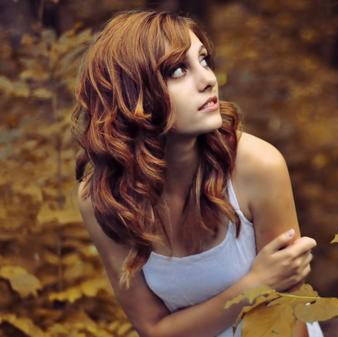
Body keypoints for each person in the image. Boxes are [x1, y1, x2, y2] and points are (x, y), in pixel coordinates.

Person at [71, 9, 322, 337]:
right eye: (178, 70)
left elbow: (288, 314)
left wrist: (268, 286)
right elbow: (154, 329)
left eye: (203, 60)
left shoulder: (256, 166)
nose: (207, 79)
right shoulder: (103, 199)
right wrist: (253, 285)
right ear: (132, 95)